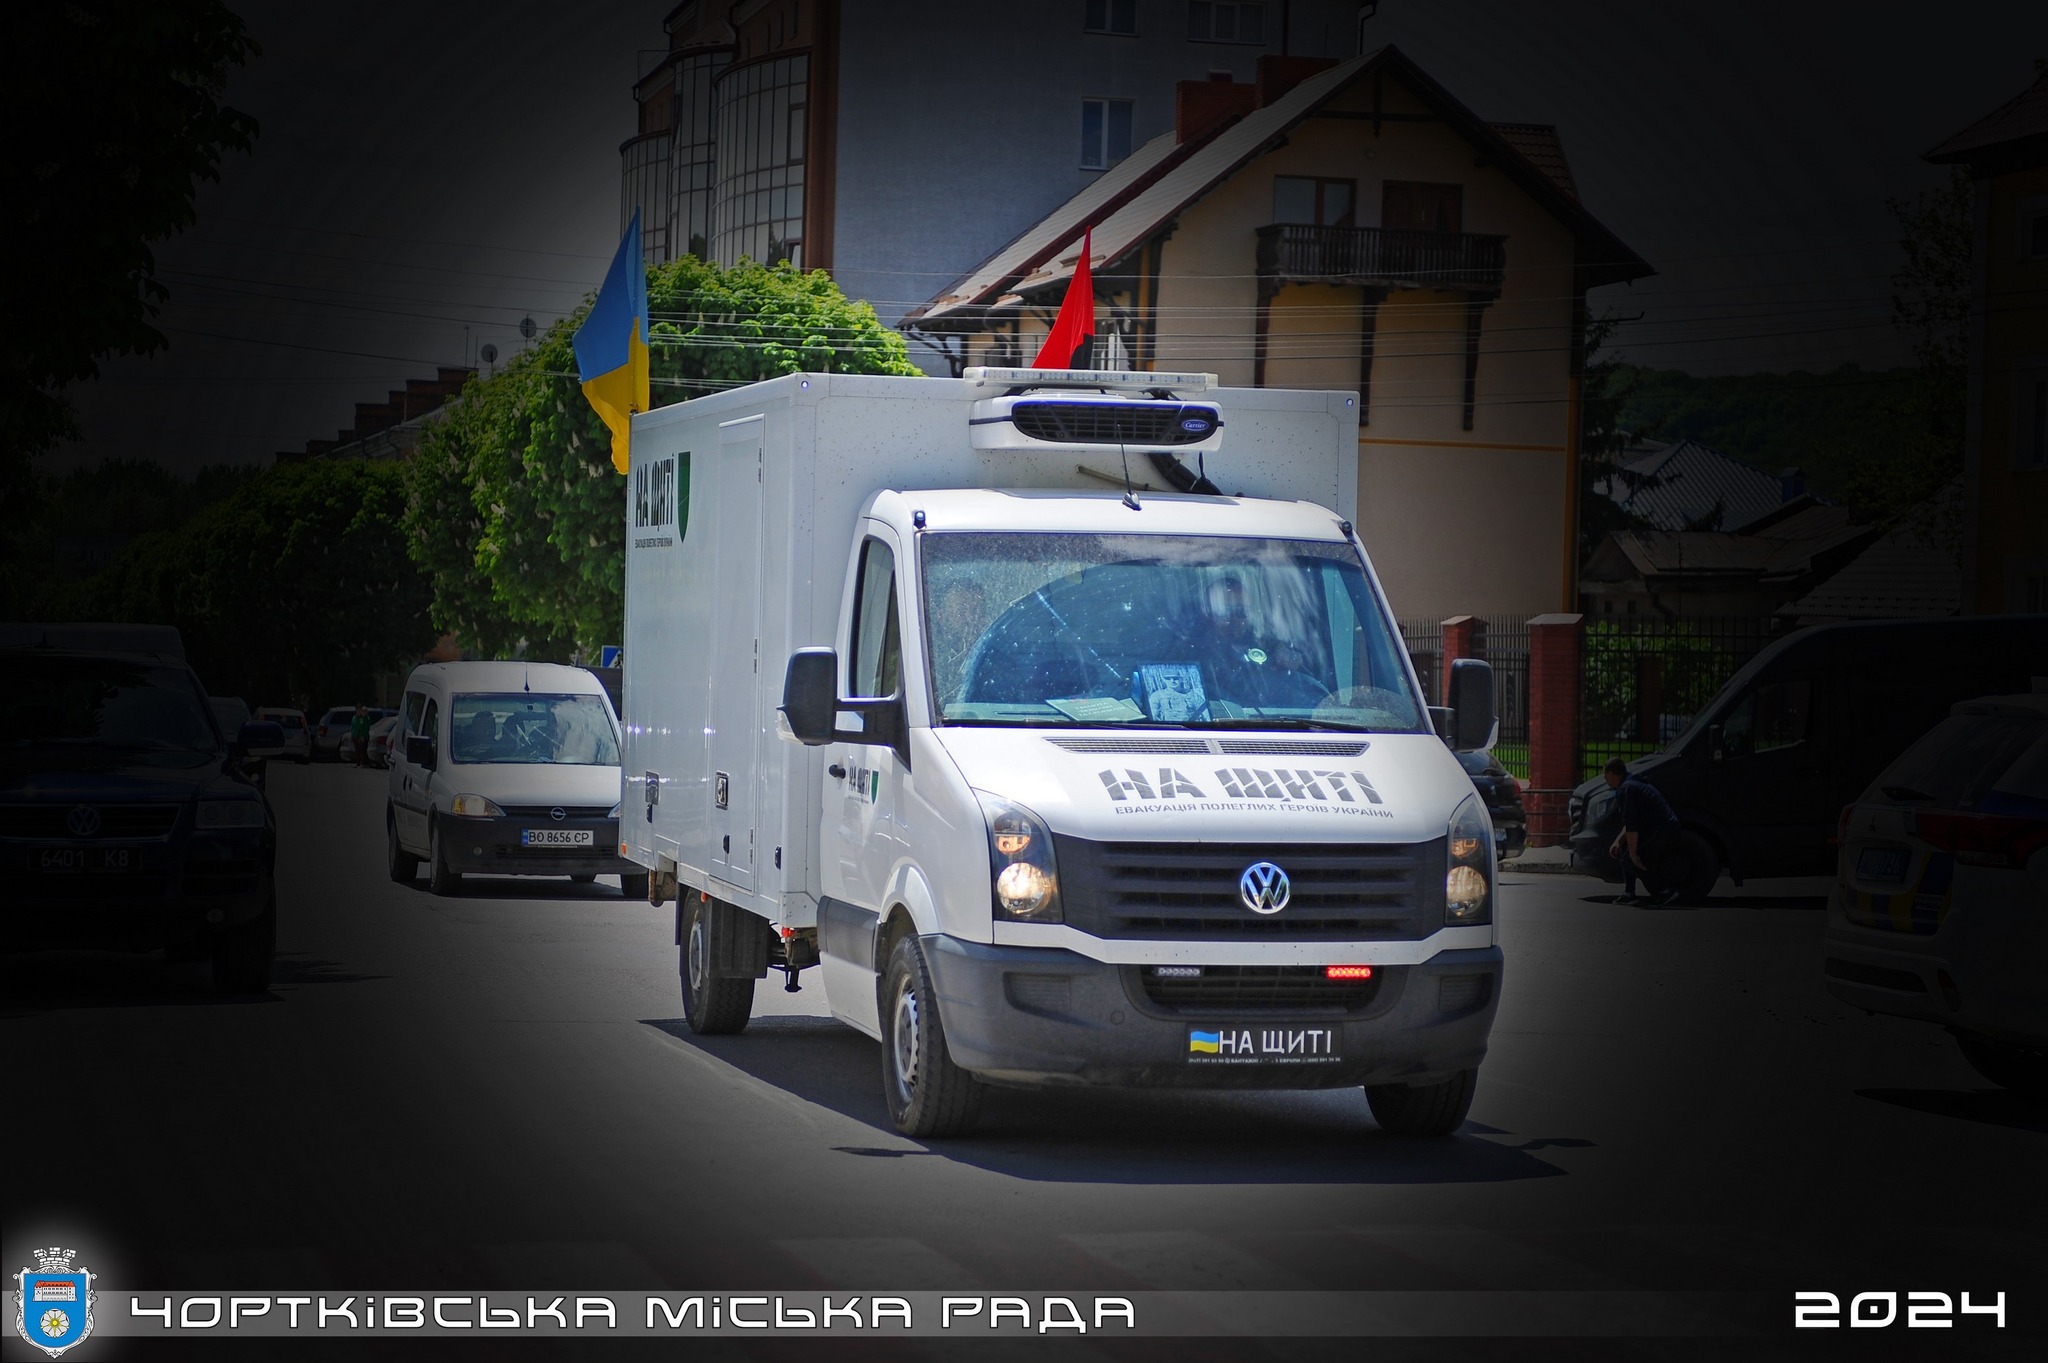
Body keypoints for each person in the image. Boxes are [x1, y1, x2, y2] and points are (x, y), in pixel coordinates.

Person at [1604, 756, 1682, 905]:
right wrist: (1618, 842)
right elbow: (1631, 820)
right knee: (1625, 848)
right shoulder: (1633, 782)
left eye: (1606, 775)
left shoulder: (1625, 789)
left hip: (1662, 829)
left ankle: (1664, 892)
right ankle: (1629, 893)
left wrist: (1633, 856)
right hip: (1664, 827)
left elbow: (1632, 826)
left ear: (1612, 773)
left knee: (1634, 859)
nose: (1605, 780)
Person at [349, 703, 371, 768]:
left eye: (364, 711)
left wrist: (362, 736)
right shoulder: (355, 718)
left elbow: (365, 728)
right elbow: (353, 727)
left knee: (363, 750)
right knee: (358, 750)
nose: (362, 712)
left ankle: (364, 763)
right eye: (362, 711)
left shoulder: (366, 719)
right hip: (356, 736)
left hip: (363, 737)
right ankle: (359, 763)